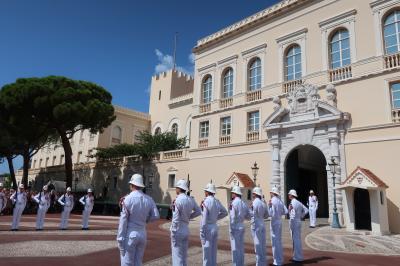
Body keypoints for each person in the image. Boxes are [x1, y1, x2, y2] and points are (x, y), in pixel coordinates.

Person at [117, 174, 159, 266]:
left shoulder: (127, 199)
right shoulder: (149, 199)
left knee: (127, 262)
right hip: (142, 233)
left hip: (130, 233)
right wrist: (145, 220)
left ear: (132, 185)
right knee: (138, 262)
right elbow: (156, 216)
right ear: (141, 185)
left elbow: (123, 221)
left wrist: (120, 238)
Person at [170, 179, 201, 266]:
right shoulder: (190, 199)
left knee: (177, 257)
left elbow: (175, 218)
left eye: (176, 187)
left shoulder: (178, 200)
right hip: (185, 228)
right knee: (183, 256)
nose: (176, 189)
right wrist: (189, 217)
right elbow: (198, 211)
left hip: (178, 228)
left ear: (179, 188)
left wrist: (173, 230)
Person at [200, 182, 228, 266]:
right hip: (214, 227)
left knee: (206, 253)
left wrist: (201, 232)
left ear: (207, 192)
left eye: (205, 190)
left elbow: (204, 219)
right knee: (213, 252)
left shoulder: (206, 201)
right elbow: (225, 212)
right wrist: (215, 218)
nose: (204, 192)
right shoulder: (217, 201)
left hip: (207, 228)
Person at [229, 185, 251, 266]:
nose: (231, 194)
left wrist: (231, 229)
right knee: (241, 248)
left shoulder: (233, 203)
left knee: (235, 248)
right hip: (241, 226)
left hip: (235, 227)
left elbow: (232, 217)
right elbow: (249, 216)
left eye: (232, 193)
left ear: (235, 193)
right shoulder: (243, 203)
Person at [268, 186, 287, 266]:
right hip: (279, 221)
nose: (270, 193)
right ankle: (280, 259)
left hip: (274, 222)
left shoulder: (272, 201)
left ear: (273, 193)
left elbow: (270, 213)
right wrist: (279, 214)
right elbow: (286, 211)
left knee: (274, 242)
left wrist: (269, 206)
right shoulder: (280, 201)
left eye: (271, 192)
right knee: (278, 241)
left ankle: (276, 261)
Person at [288, 189, 309, 263]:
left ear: (291, 195)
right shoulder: (299, 203)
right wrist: (301, 216)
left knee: (295, 240)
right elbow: (306, 210)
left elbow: (292, 215)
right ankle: (298, 256)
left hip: (294, 222)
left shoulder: (292, 203)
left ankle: (297, 257)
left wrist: (291, 224)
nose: (288, 195)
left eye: (289, 194)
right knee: (298, 239)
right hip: (298, 221)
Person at [250, 187, 269, 266]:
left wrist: (253, 225)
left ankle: (259, 264)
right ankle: (263, 263)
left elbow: (252, 215)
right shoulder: (263, 203)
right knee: (262, 244)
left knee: (257, 246)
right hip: (262, 223)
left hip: (256, 225)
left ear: (255, 193)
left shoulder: (255, 203)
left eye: (253, 193)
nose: (252, 195)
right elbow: (267, 215)